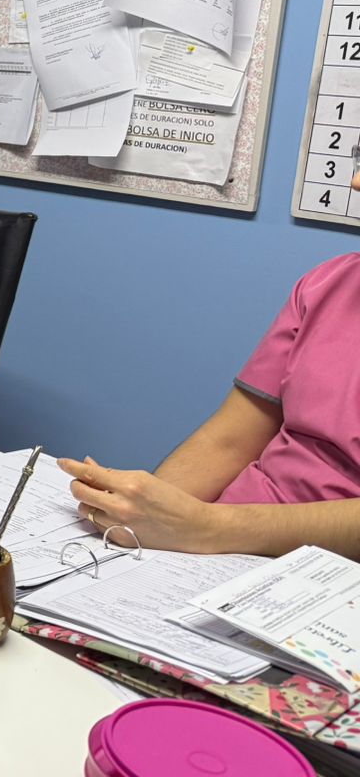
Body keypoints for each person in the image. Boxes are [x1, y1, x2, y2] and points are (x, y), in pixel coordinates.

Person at [62, 194, 360, 558]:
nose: (356, 181)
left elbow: (205, 526)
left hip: (321, 566)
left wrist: (206, 527)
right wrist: (140, 520)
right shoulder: (331, 283)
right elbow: (229, 441)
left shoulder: (213, 528)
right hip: (225, 541)